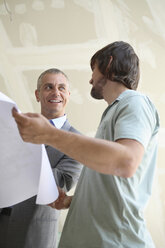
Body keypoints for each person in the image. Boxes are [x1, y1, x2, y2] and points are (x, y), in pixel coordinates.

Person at [12, 41, 159, 248]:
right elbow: (111, 190)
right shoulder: (111, 115)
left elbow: (126, 161)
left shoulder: (135, 102)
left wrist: (49, 134)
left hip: (117, 242)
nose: (90, 79)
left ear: (108, 64)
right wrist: (71, 201)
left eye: (93, 70)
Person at [0, 68, 82, 248]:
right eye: (48, 87)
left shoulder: (77, 141)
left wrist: (13, 160)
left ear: (68, 94)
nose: (55, 92)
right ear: (38, 95)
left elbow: (60, 183)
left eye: (61, 88)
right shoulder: (15, 129)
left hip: (33, 234)